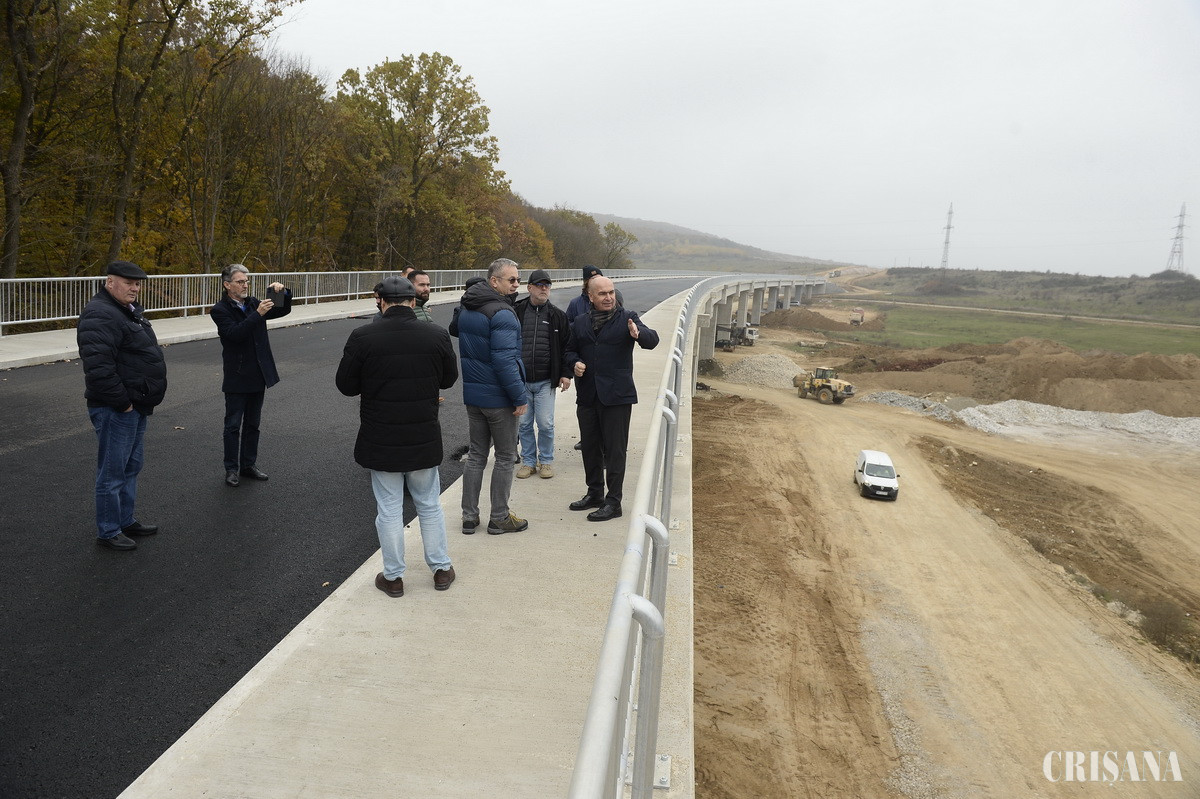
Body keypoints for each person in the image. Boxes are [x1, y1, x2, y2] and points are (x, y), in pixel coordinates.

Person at [336, 276, 459, 597]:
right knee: (429, 505)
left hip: (381, 436)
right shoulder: (435, 334)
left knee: (389, 509)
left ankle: (393, 577)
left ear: (381, 302)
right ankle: (441, 569)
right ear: (413, 301)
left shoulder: (362, 337)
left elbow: (346, 386)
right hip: (422, 434)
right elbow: (448, 379)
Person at [77, 260, 168, 550]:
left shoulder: (125, 311)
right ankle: (108, 531)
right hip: (116, 408)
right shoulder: (100, 313)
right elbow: (98, 367)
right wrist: (123, 403)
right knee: (113, 472)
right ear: (110, 282)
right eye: (128, 283)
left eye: (137, 284)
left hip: (135, 404)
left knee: (130, 466)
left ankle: (125, 520)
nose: (135, 288)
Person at [564, 275, 659, 521]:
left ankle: (614, 502)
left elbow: (652, 340)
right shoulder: (580, 322)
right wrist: (574, 363)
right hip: (588, 395)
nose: (608, 297)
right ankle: (594, 493)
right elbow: (569, 350)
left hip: (617, 396)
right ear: (590, 297)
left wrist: (638, 334)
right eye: (602, 294)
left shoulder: (628, 318)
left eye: (611, 292)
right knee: (590, 448)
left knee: (615, 451)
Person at [455, 258, 529, 535]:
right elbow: (504, 361)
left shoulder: (468, 307)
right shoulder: (503, 313)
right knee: (506, 457)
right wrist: (519, 396)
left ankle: (469, 516)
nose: (517, 284)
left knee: (476, 455)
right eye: (512, 279)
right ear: (494, 281)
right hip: (499, 399)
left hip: (474, 396)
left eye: (518, 279)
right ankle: (499, 517)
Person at [210, 264, 292, 487]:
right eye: (240, 282)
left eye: (246, 281)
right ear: (227, 285)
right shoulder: (220, 310)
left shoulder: (254, 303)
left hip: (258, 373)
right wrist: (257, 314)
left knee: (253, 424)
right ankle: (231, 469)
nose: (245, 285)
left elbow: (281, 310)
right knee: (232, 426)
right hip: (237, 375)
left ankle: (248, 465)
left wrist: (282, 293)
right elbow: (235, 334)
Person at [513, 269, 571, 479]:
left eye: (547, 285)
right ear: (529, 288)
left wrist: (566, 374)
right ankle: (528, 462)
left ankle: (545, 461)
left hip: (546, 380)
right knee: (524, 424)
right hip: (521, 381)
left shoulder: (557, 316)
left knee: (546, 423)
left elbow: (566, 347)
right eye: (540, 285)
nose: (544, 289)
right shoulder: (516, 311)